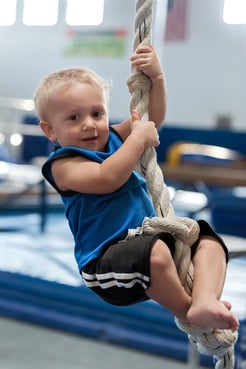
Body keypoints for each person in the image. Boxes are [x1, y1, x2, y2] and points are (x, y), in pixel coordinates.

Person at [34, 45, 239, 332]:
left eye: (97, 113)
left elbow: (150, 116)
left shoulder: (115, 138)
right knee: (154, 252)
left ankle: (204, 300)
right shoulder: (63, 165)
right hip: (106, 262)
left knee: (208, 240)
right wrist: (138, 139)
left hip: (149, 241)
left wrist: (157, 77)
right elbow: (108, 177)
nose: (89, 125)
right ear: (50, 130)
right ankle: (187, 310)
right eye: (74, 118)